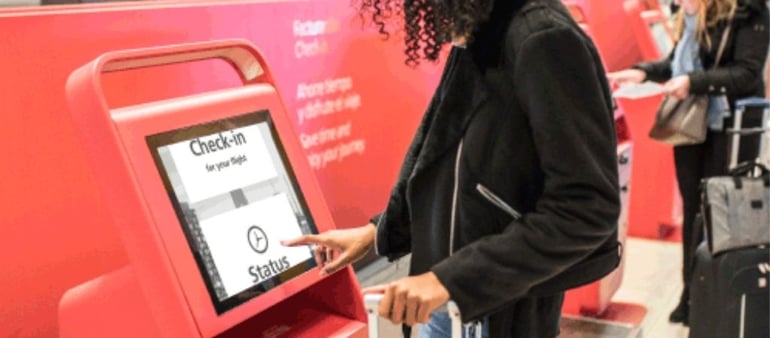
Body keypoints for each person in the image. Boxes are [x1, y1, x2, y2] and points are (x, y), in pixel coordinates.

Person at [283, 0, 622, 336]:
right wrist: (377, 232)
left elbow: (587, 207)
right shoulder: (485, 28)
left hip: (496, 310)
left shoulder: (541, 36)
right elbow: (447, 164)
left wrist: (450, 280)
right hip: (454, 303)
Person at [609, 0, 769, 326]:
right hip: (693, 126)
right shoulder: (691, 14)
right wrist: (642, 71)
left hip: (730, 126)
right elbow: (675, 63)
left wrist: (692, 82)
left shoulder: (750, 10)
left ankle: (720, 295)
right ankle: (692, 291)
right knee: (694, 210)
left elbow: (746, 72)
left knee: (720, 215)